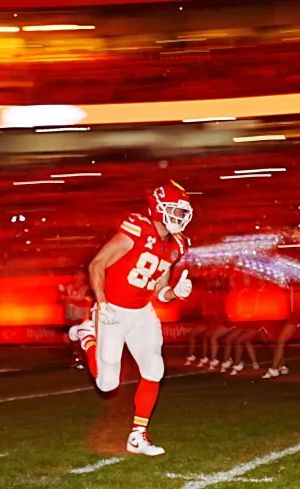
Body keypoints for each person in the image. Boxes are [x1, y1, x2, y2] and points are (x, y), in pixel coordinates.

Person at [68, 181, 195, 456]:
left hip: (142, 312)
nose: (181, 218)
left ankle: (138, 435)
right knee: (107, 384)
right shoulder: (137, 229)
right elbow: (97, 264)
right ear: (159, 209)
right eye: (176, 210)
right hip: (113, 309)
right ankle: (87, 335)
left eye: (184, 212)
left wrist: (176, 292)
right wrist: (102, 303)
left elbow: (160, 292)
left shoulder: (177, 245)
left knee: (154, 368)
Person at [61, 269, 93, 369]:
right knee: (68, 340)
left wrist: (72, 301)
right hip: (69, 318)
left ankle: (81, 361)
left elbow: (87, 302)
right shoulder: (68, 288)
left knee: (80, 341)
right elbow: (63, 301)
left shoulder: (87, 289)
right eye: (78, 275)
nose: (80, 277)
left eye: (82, 275)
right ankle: (75, 359)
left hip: (81, 318)